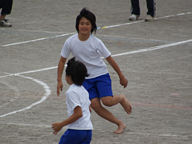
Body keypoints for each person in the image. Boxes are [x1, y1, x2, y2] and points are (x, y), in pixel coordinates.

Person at [57, 8, 132, 134]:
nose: (84, 26)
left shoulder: (96, 42)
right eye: (82, 23)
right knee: (95, 105)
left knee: (107, 101)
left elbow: (110, 59)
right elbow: (62, 61)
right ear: (77, 25)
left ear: (92, 26)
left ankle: (120, 98)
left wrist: (121, 76)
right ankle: (120, 123)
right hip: (85, 79)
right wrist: (59, 80)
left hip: (101, 75)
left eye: (87, 24)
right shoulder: (70, 41)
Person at [52, 57, 93, 144]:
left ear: (69, 76)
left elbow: (78, 113)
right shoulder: (84, 90)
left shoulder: (71, 92)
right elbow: (89, 110)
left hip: (76, 131)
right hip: (88, 131)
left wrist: (61, 124)